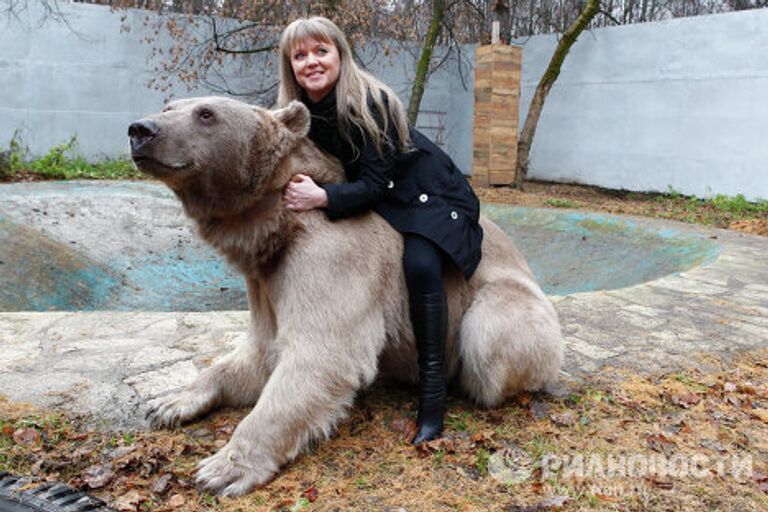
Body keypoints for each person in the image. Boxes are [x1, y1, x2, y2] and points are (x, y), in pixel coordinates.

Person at [278, 16, 483, 445]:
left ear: (340, 55)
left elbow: (372, 185)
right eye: (300, 55)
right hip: (386, 196)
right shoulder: (301, 114)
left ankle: (432, 396)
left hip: (427, 192)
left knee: (421, 263)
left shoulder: (371, 101)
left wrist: (324, 198)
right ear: (290, 66)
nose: (311, 62)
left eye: (321, 51)